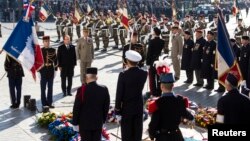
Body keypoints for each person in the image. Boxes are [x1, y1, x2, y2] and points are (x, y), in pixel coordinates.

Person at [148, 73, 194, 141]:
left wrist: (152, 135)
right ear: (173, 86)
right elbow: (186, 114)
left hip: (163, 137)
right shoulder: (179, 100)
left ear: (161, 87)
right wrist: (192, 118)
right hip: (176, 135)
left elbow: (153, 124)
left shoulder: (158, 103)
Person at [115, 50, 148, 141]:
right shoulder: (144, 73)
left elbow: (119, 94)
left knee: (126, 134)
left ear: (127, 61)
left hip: (126, 108)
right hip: (138, 106)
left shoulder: (123, 75)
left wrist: (117, 110)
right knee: (137, 133)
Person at [72, 67, 110, 141]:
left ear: (86, 78)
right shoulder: (104, 89)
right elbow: (106, 106)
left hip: (84, 124)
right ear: (96, 78)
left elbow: (76, 108)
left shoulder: (81, 90)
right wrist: (104, 120)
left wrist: (75, 123)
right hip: (98, 123)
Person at [39, 36, 57, 108]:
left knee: (50, 87)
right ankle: (44, 103)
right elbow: (38, 62)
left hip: (50, 70)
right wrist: (38, 71)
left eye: (48, 41)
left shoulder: (53, 50)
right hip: (43, 70)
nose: (47, 43)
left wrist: (55, 70)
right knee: (43, 88)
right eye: (45, 41)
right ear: (43, 42)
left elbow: (55, 61)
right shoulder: (40, 50)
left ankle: (50, 102)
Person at [146, 27, 165, 96]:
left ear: (154, 32)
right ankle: (159, 91)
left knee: (152, 78)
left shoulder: (152, 41)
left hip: (152, 61)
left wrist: (147, 63)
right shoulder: (162, 41)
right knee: (159, 77)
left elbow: (149, 53)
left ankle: (153, 92)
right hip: (159, 60)